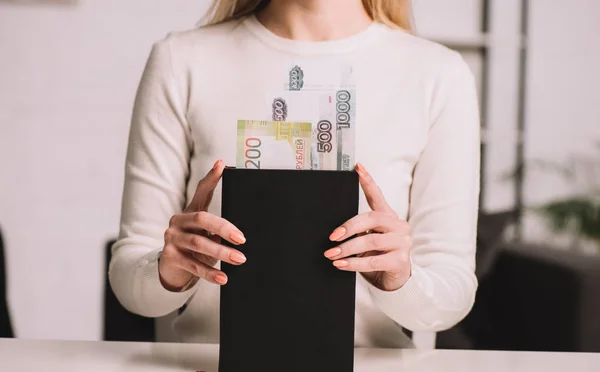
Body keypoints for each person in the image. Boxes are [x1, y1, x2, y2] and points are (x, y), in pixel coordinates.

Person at [109, 0, 480, 348]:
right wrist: (170, 270)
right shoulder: (181, 60)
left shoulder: (438, 75)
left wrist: (401, 281)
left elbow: (453, 294)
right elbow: (130, 280)